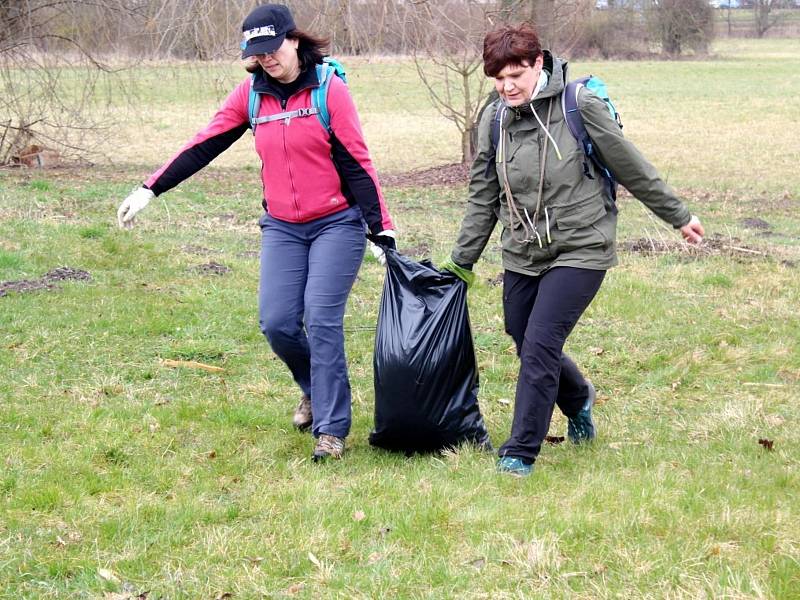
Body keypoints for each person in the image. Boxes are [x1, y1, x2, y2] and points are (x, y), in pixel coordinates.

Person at [116, 4, 396, 462]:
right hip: (283, 226)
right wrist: (150, 189)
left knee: (322, 320)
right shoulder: (251, 94)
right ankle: (312, 389)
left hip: (336, 223)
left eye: (272, 50)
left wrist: (380, 230)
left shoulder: (329, 89)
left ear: (294, 40)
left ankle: (331, 428)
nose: (266, 60)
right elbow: (204, 144)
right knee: (278, 323)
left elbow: (357, 162)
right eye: (257, 53)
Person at [441, 23, 704, 477]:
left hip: (583, 244)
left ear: (538, 64)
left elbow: (630, 165)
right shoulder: (494, 118)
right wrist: (460, 263)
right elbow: (483, 196)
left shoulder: (579, 105)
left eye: (516, 75)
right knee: (523, 337)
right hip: (523, 248)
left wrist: (678, 215)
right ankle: (579, 399)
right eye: (498, 78)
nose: (507, 86)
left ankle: (520, 450)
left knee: (542, 343)